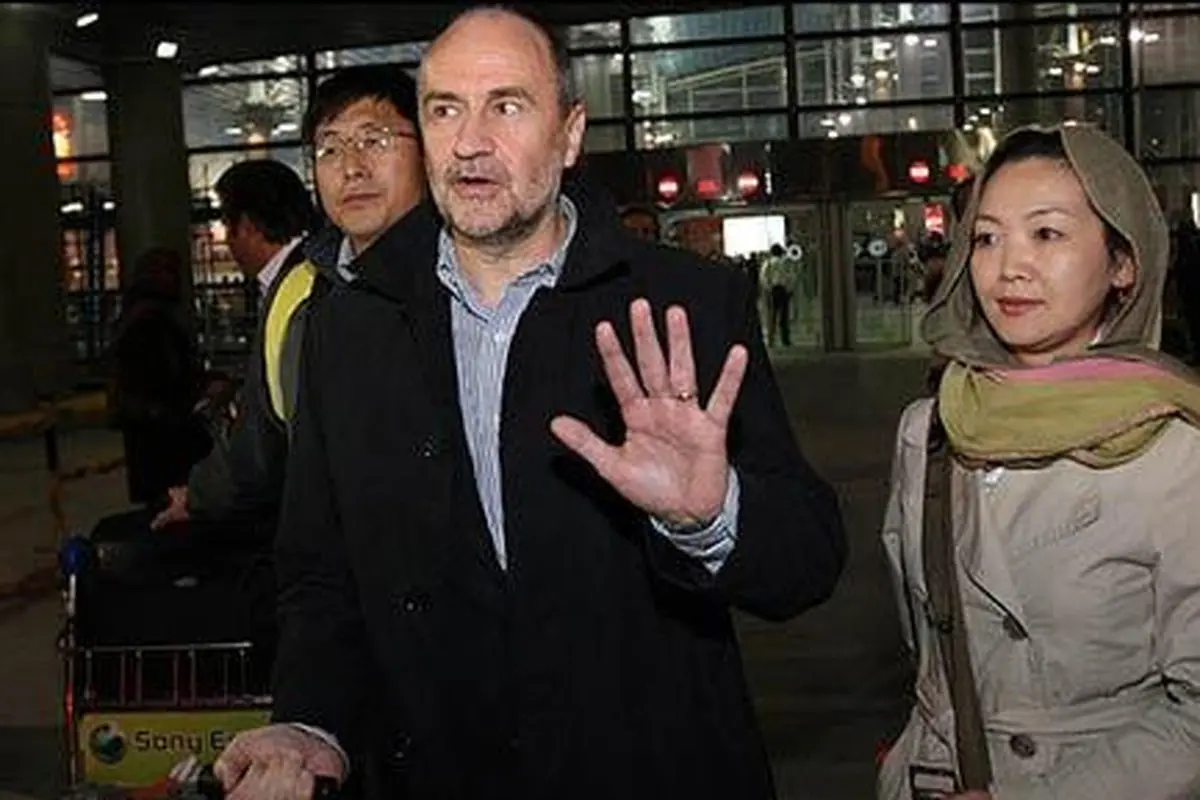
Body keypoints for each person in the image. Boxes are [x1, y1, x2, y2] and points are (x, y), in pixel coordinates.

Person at [215, 7, 845, 800]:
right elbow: (318, 571)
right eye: (445, 110)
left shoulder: (681, 305)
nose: (470, 142)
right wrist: (311, 724)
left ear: (569, 134)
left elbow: (807, 560)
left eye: (506, 106)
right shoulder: (351, 324)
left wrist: (710, 516)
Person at [879, 124, 1200, 799]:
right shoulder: (927, 430)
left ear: (1123, 262)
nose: (1009, 267)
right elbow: (931, 647)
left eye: (1047, 234)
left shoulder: (1174, 451)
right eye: (986, 238)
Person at [150, 66, 425, 536]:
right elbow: (261, 447)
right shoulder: (304, 297)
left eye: (374, 140)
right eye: (329, 149)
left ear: (429, 151)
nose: (352, 167)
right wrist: (201, 495)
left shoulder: (474, 283)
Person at [109, 246, 208, 506]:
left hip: (149, 427)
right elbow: (165, 375)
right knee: (168, 503)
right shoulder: (154, 320)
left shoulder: (137, 315)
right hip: (162, 429)